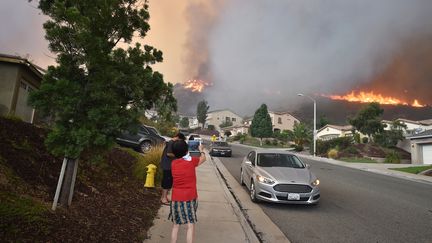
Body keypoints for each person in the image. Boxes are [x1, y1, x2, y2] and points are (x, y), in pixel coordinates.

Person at [169, 140, 206, 243]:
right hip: (190, 197)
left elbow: (181, 158)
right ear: (186, 150)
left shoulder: (173, 163)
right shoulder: (191, 161)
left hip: (176, 198)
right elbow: (203, 159)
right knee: (190, 225)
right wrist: (201, 150)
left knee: (176, 225)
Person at [160, 132, 186, 205]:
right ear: (178, 137)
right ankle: (164, 198)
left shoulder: (171, 142)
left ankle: (163, 197)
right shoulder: (171, 143)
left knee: (168, 182)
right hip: (167, 165)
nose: (180, 142)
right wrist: (179, 156)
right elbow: (169, 154)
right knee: (167, 182)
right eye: (180, 140)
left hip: (168, 165)